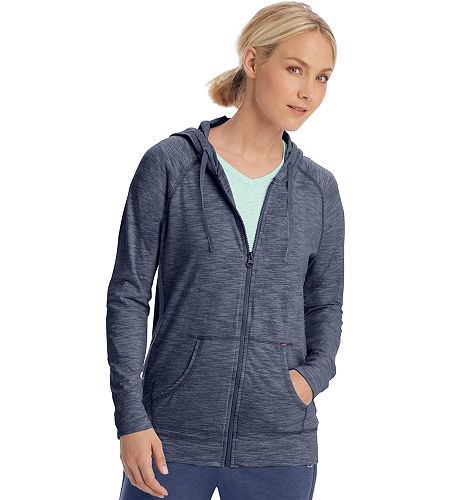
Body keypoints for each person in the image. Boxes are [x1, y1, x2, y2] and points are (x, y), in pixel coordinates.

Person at [106, 2, 345, 499]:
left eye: (322, 77)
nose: (309, 91)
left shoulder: (318, 190)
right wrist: (130, 418)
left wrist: (308, 380)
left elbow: (324, 303)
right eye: (295, 69)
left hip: (280, 444)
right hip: (168, 437)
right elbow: (129, 293)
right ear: (253, 61)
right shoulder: (171, 166)